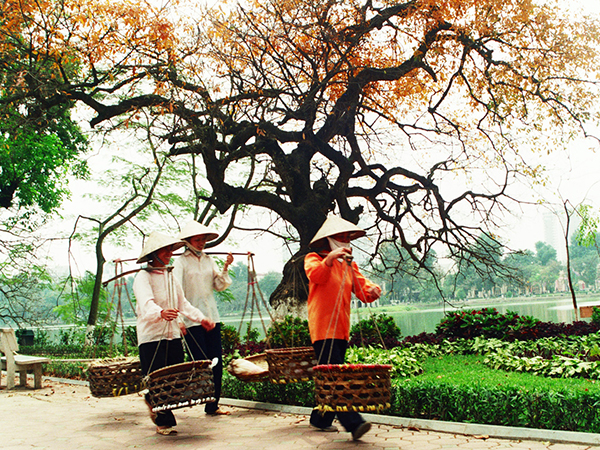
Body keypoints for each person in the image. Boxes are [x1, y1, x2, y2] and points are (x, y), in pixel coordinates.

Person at [304, 215, 382, 441]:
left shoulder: (349, 264)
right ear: (328, 240)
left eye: (348, 237)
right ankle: (354, 423)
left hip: (341, 328)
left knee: (330, 376)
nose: (345, 240)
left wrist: (373, 290)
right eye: (340, 237)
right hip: (323, 328)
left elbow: (362, 289)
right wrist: (329, 260)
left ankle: (320, 418)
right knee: (336, 377)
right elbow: (316, 276)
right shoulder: (313, 258)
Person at [134, 231, 215, 435]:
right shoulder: (143, 277)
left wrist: (200, 318)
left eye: (170, 249)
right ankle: (163, 421)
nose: (169, 253)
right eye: (165, 250)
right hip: (152, 337)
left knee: (173, 379)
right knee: (157, 378)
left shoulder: (171, 276)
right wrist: (160, 312)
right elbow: (146, 304)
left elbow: (183, 304)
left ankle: (155, 404)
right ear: (154, 254)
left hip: (173, 335)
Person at [173, 220, 234, 416]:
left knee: (216, 361)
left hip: (211, 317)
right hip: (192, 320)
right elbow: (176, 291)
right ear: (188, 241)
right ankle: (192, 396)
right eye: (197, 240)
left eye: (203, 240)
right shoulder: (180, 262)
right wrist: (179, 319)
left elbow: (218, 285)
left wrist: (225, 266)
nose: (200, 243)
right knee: (200, 362)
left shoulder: (208, 260)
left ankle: (213, 404)